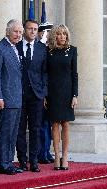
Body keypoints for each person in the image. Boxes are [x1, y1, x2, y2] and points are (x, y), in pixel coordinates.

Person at [0, 19, 24, 175]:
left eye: (20, 32)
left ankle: (9, 162)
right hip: (5, 99)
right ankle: (3, 164)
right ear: (8, 31)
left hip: (16, 98)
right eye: (16, 31)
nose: (18, 35)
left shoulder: (14, 48)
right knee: (5, 133)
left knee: (13, 133)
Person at [15, 20, 47, 172]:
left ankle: (34, 161)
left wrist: (44, 93)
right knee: (20, 129)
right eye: (30, 29)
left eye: (35, 29)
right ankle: (22, 160)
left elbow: (45, 73)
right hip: (19, 94)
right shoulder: (15, 47)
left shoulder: (42, 48)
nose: (33, 32)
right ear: (24, 30)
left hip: (36, 95)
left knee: (35, 128)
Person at [46, 24, 78, 170]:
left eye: (64, 34)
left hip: (67, 92)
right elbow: (45, 74)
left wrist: (75, 95)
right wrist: (45, 95)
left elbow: (74, 74)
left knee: (65, 123)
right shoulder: (48, 51)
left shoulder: (72, 50)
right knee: (54, 124)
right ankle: (56, 156)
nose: (62, 37)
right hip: (52, 92)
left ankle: (65, 157)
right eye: (59, 34)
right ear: (54, 36)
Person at [37, 22, 55, 164]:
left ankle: (47, 151)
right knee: (42, 124)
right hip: (42, 91)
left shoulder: (51, 49)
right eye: (46, 33)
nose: (48, 35)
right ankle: (41, 153)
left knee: (48, 125)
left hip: (52, 91)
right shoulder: (39, 48)